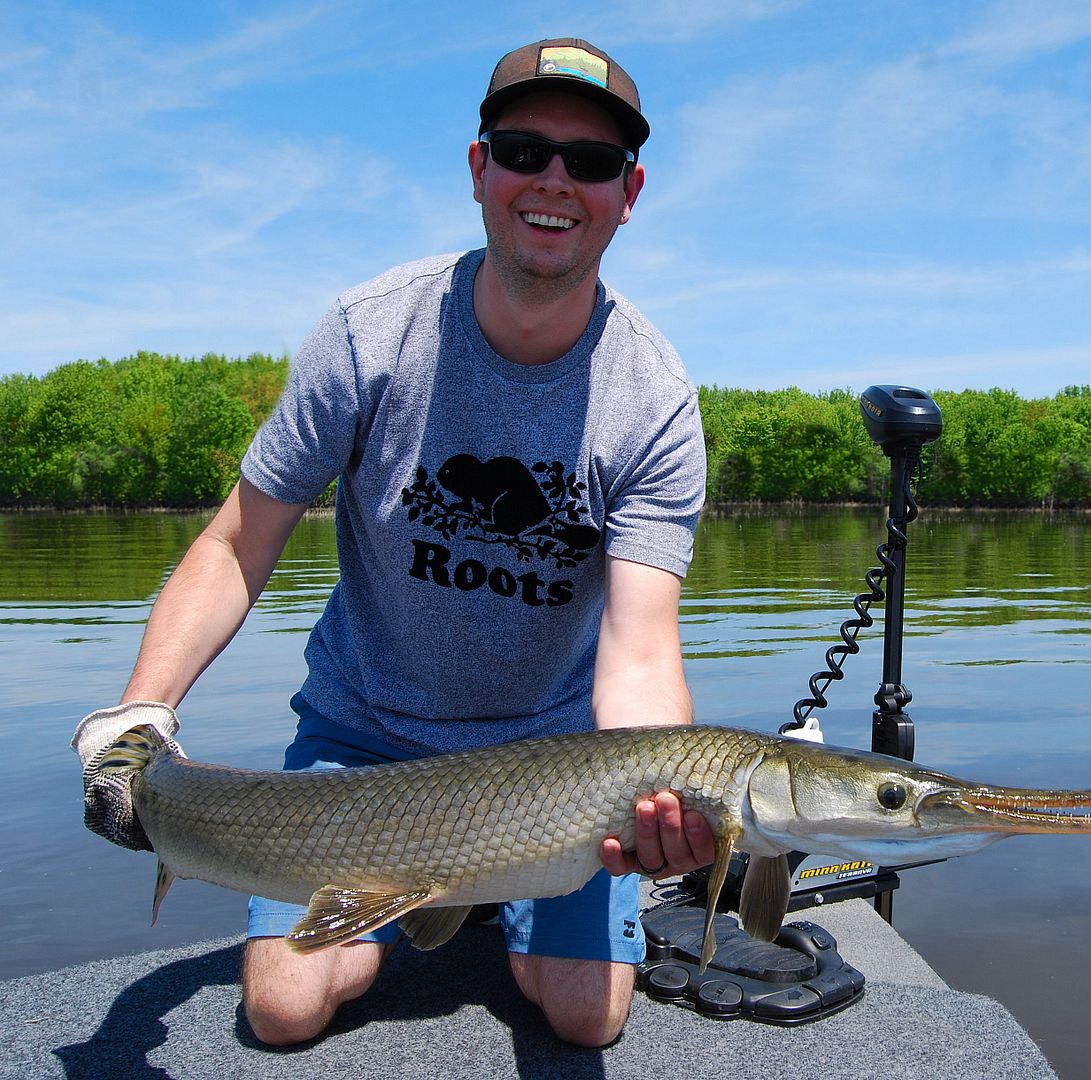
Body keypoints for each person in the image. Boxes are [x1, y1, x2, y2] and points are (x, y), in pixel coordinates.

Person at [70, 36, 715, 1048]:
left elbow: (638, 649)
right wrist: (140, 715)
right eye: (524, 152)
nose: (554, 181)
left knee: (586, 1019)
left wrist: (656, 799)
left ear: (626, 193)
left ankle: (487, 898)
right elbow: (238, 543)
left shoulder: (655, 398)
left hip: (554, 770)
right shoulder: (368, 334)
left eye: (590, 162)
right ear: (480, 169)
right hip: (364, 748)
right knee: (284, 1011)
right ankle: (453, 899)